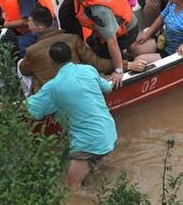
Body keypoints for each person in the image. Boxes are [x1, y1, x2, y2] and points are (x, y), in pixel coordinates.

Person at [26, 41, 117, 190]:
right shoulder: (89, 70)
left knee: (71, 188)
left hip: (88, 143)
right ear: (72, 56)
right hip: (108, 132)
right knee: (91, 179)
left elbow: (31, 109)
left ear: (51, 62)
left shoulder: (52, 87)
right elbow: (107, 88)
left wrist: (1, 107)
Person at [20, 6, 143, 95]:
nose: (28, 24)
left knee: (21, 63)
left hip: (52, 95)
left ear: (39, 28)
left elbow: (24, 71)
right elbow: (97, 63)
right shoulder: (73, 39)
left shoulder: (31, 51)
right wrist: (129, 65)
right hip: (78, 87)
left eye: (30, 22)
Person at [64, 0, 138, 88]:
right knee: (89, 46)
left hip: (125, 32)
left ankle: (126, 64)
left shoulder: (100, 10)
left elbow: (112, 41)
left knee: (100, 59)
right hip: (107, 28)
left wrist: (119, 70)